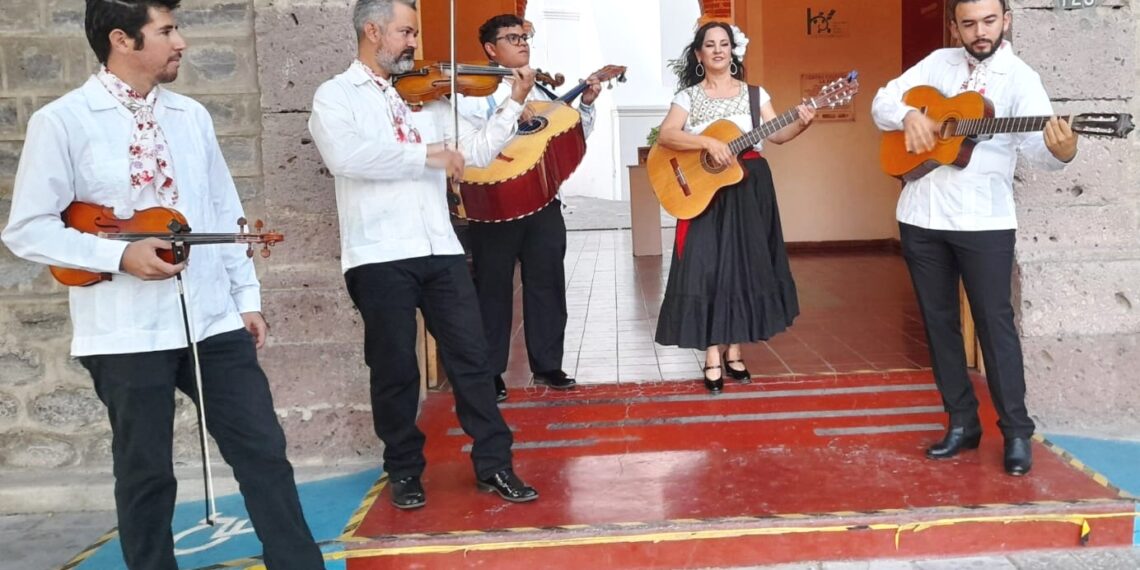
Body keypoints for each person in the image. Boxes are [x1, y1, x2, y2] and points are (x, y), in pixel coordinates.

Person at [1, 1, 324, 568]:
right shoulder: (62, 120)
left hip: (212, 318)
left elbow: (224, 212)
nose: (182, 43)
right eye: (168, 31)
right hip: (123, 331)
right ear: (122, 40)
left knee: (263, 450)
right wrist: (121, 255)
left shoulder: (191, 116)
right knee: (146, 470)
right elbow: (27, 229)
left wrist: (246, 299)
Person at [307, 0, 539, 509]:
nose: (415, 43)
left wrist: (510, 104)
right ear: (372, 31)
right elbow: (346, 158)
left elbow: (474, 152)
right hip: (378, 252)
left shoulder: (429, 98)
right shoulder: (336, 96)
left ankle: (494, 465)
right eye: (406, 32)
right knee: (394, 368)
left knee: (473, 360)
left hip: (439, 245)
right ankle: (405, 470)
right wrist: (424, 155)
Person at [871, 0, 1077, 476]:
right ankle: (962, 423)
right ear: (954, 26)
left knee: (994, 324)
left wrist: (1061, 153)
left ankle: (1017, 432)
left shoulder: (1020, 78)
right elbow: (881, 100)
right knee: (939, 324)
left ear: (1006, 20)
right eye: (968, 23)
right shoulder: (937, 64)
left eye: (989, 21)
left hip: (984, 220)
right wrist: (907, 116)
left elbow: (1037, 148)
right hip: (921, 215)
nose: (979, 32)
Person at [653, 22, 813, 393]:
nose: (718, 50)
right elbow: (667, 134)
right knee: (706, 267)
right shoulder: (689, 97)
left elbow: (777, 133)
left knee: (744, 268)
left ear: (732, 52)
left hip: (749, 187)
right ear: (699, 54)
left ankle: (735, 349)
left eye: (724, 44)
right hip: (707, 191)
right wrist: (708, 142)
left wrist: (802, 123)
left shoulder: (756, 95)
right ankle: (712, 352)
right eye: (710, 45)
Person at [455, 14, 603, 401]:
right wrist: (511, 106)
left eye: (524, 37)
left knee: (547, 284)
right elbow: (475, 150)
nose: (522, 43)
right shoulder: (469, 93)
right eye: (512, 38)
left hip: (542, 201)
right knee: (493, 289)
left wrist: (585, 107)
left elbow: (562, 138)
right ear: (491, 49)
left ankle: (548, 365)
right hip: (494, 202)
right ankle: (490, 373)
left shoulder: (541, 89)